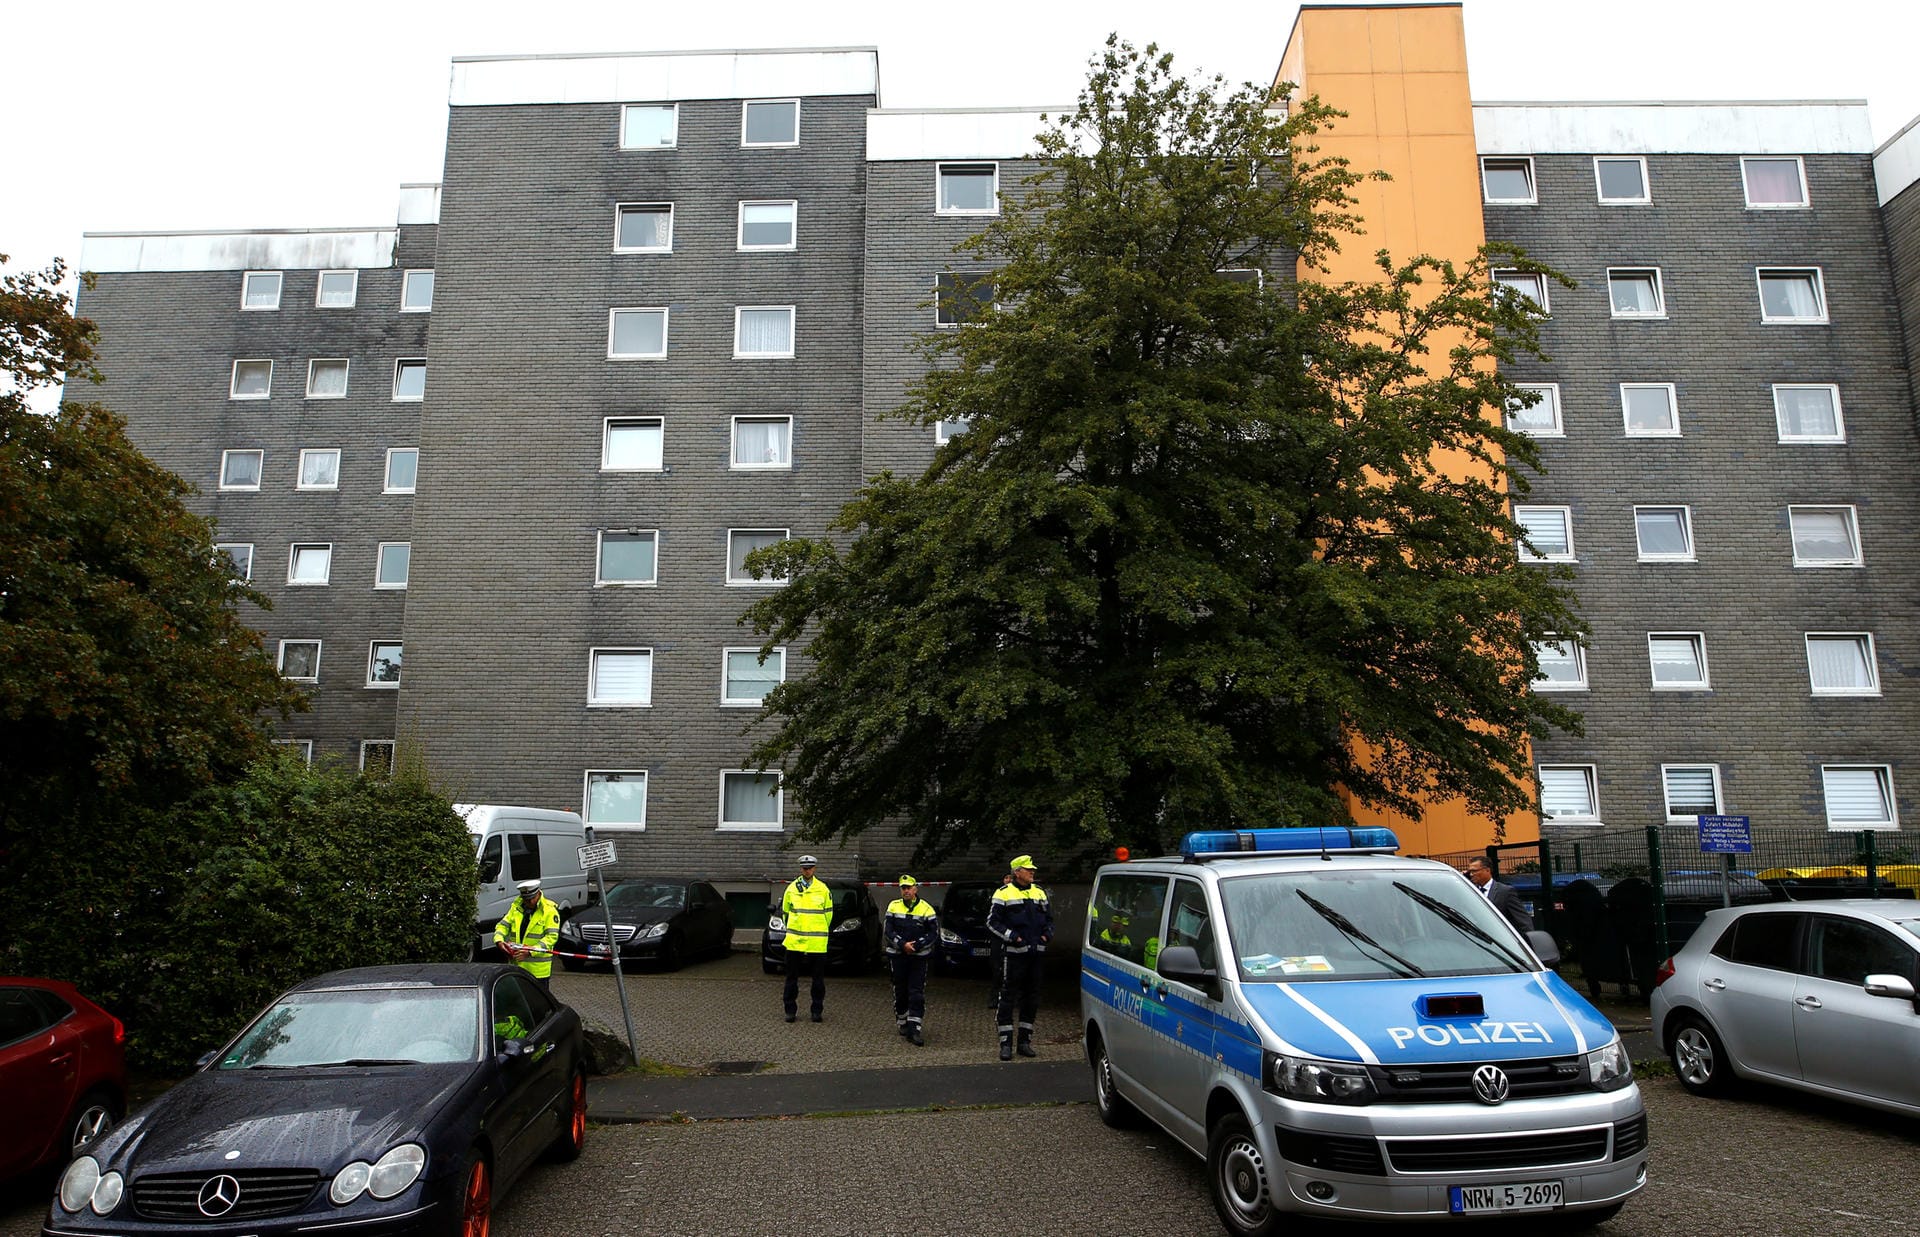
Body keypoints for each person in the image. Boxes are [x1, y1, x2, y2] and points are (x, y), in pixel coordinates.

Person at [987, 854, 1052, 1061]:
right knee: (1007, 998)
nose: (1032, 872)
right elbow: (992, 922)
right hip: (1014, 957)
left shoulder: (1040, 892)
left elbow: (1049, 920)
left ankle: (1025, 1041)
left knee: (1031, 998)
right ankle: (1006, 1043)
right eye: (1028, 869)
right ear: (1017, 872)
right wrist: (1013, 937)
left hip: (1036, 956)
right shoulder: (1003, 893)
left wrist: (1046, 936)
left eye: (1032, 869)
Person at [884, 875, 938, 1045]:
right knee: (900, 992)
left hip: (918, 958)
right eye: (903, 888)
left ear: (916, 889)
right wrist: (902, 944)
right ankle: (902, 1021)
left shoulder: (926, 909)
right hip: (898, 956)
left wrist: (918, 945)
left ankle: (914, 1028)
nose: (906, 891)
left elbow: (933, 933)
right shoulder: (893, 906)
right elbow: (888, 930)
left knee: (916, 993)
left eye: (908, 887)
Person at [780, 855, 834, 1023]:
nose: (807, 870)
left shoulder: (823, 889)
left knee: (818, 980)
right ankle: (790, 1011)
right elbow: (785, 914)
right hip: (795, 941)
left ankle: (816, 1011)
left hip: (816, 943)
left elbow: (829, 915)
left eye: (810, 868)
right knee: (791, 979)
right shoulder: (791, 889)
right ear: (801, 869)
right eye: (804, 868)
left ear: (814, 869)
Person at [494, 878, 561, 990]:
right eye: (526, 899)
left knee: (538, 1005)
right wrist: (499, 941)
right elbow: (502, 926)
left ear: (539, 893)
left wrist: (530, 952)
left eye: (532, 899)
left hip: (538, 972)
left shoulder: (549, 911)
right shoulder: (516, 908)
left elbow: (551, 938)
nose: (529, 902)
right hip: (516, 968)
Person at [1465, 858, 1535, 934]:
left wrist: (1530, 940)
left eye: (1474, 871)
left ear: (1487, 870)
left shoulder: (1505, 892)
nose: (1471, 874)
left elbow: (1523, 920)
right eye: (1470, 871)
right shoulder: (1470, 890)